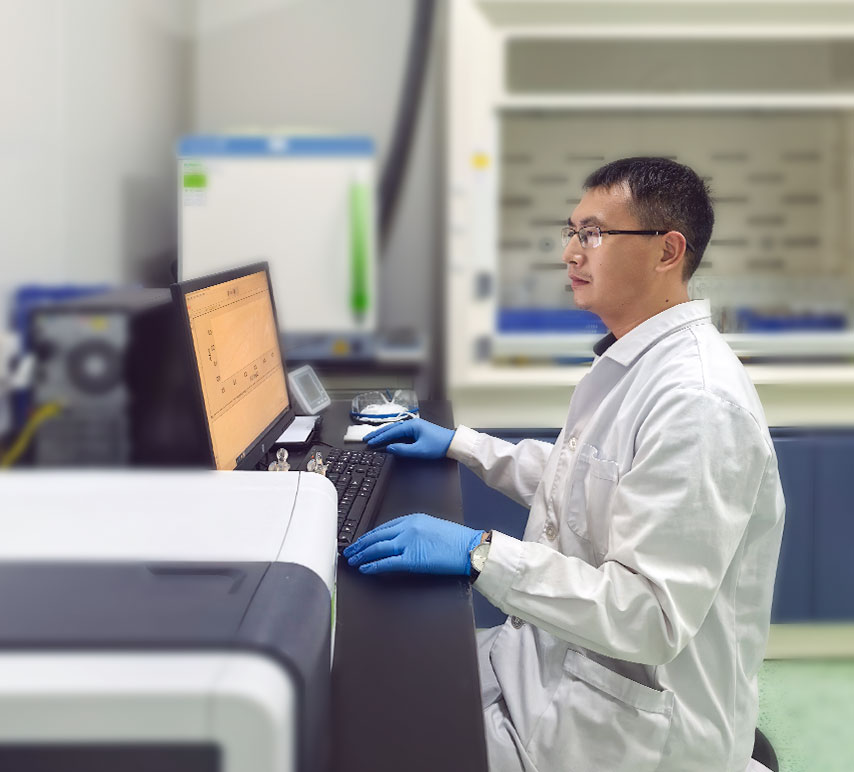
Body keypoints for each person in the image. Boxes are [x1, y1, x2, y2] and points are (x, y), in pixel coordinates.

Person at [343, 157, 785, 772]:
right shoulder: (632, 361)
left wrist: (480, 553)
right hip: (546, 664)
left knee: (370, 739)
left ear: (667, 251)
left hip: (625, 731)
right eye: (572, 232)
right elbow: (583, 481)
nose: (571, 253)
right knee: (386, 678)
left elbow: (649, 615)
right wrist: (459, 444)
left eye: (594, 234)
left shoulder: (697, 401)